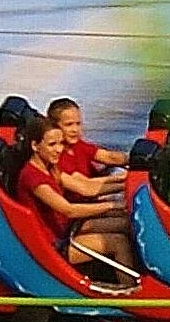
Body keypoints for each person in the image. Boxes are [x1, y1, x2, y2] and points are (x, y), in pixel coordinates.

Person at [16, 115, 136, 272]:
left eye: (61, 143)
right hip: (53, 246)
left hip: (69, 228)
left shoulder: (51, 168)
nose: (59, 149)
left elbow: (86, 187)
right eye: (52, 145)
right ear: (35, 145)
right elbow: (69, 210)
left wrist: (127, 181)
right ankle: (130, 285)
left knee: (128, 223)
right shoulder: (33, 177)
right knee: (118, 242)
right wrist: (113, 205)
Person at [46, 97, 129, 233]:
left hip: (91, 206)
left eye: (78, 124)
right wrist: (126, 182)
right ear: (54, 127)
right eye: (69, 125)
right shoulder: (56, 158)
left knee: (130, 214)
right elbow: (86, 186)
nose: (75, 130)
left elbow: (109, 157)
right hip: (75, 218)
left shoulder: (78, 145)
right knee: (129, 224)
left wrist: (137, 159)